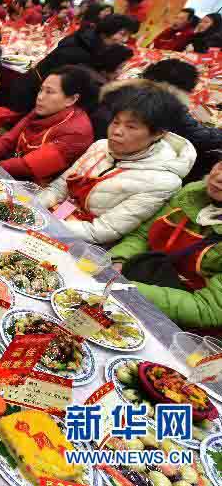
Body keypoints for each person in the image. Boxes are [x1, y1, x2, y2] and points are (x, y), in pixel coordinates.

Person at [38, 87, 196, 244]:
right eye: (115, 122)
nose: (117, 131)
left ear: (158, 133)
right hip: (54, 219)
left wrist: (46, 225)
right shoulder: (100, 146)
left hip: (83, 242)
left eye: (131, 127)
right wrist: (35, 210)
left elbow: (102, 231)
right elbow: (58, 189)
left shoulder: (162, 182)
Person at [109, 159, 222, 332]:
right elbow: (142, 235)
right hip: (134, 280)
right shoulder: (192, 195)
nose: (219, 177)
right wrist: (118, 260)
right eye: (220, 165)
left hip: (174, 324)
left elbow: (208, 309)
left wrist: (131, 290)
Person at [93, 60, 222, 181]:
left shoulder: (125, 90)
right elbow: (199, 136)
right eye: (116, 122)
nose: (117, 131)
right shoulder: (163, 105)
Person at [2, 15, 139, 113]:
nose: (124, 40)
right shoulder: (80, 50)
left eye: (128, 36)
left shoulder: (89, 40)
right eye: (122, 34)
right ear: (108, 30)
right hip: (33, 92)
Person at [0, 66, 97, 185]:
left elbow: (28, 167)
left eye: (49, 92)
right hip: (10, 169)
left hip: (34, 187)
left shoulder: (77, 133)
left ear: (71, 99)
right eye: (41, 90)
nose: (40, 97)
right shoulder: (46, 109)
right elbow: (9, 139)